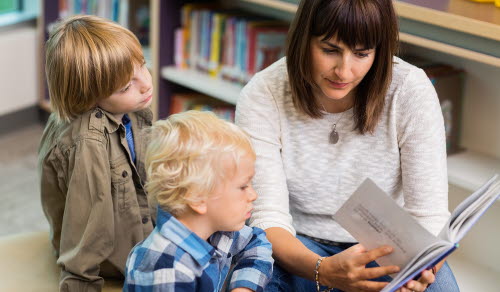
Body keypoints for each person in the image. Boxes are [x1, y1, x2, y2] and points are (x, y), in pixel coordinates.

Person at [235, 0, 460, 291]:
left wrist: (420, 271)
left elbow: (429, 216)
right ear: (304, 39)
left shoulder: (410, 90)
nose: (344, 71)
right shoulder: (264, 93)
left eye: (362, 54)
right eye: (329, 50)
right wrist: (322, 270)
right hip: (297, 246)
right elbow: (267, 218)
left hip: (389, 249)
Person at [38, 15, 155, 291]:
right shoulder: (88, 142)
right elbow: (86, 229)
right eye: (126, 86)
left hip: (140, 225)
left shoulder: (129, 110)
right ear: (87, 97)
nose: (146, 84)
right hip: (112, 256)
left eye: (143, 67)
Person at [124, 111, 274, 291]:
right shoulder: (167, 270)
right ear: (197, 198)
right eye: (243, 186)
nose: (253, 195)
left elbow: (257, 242)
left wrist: (243, 287)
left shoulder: (215, 227)